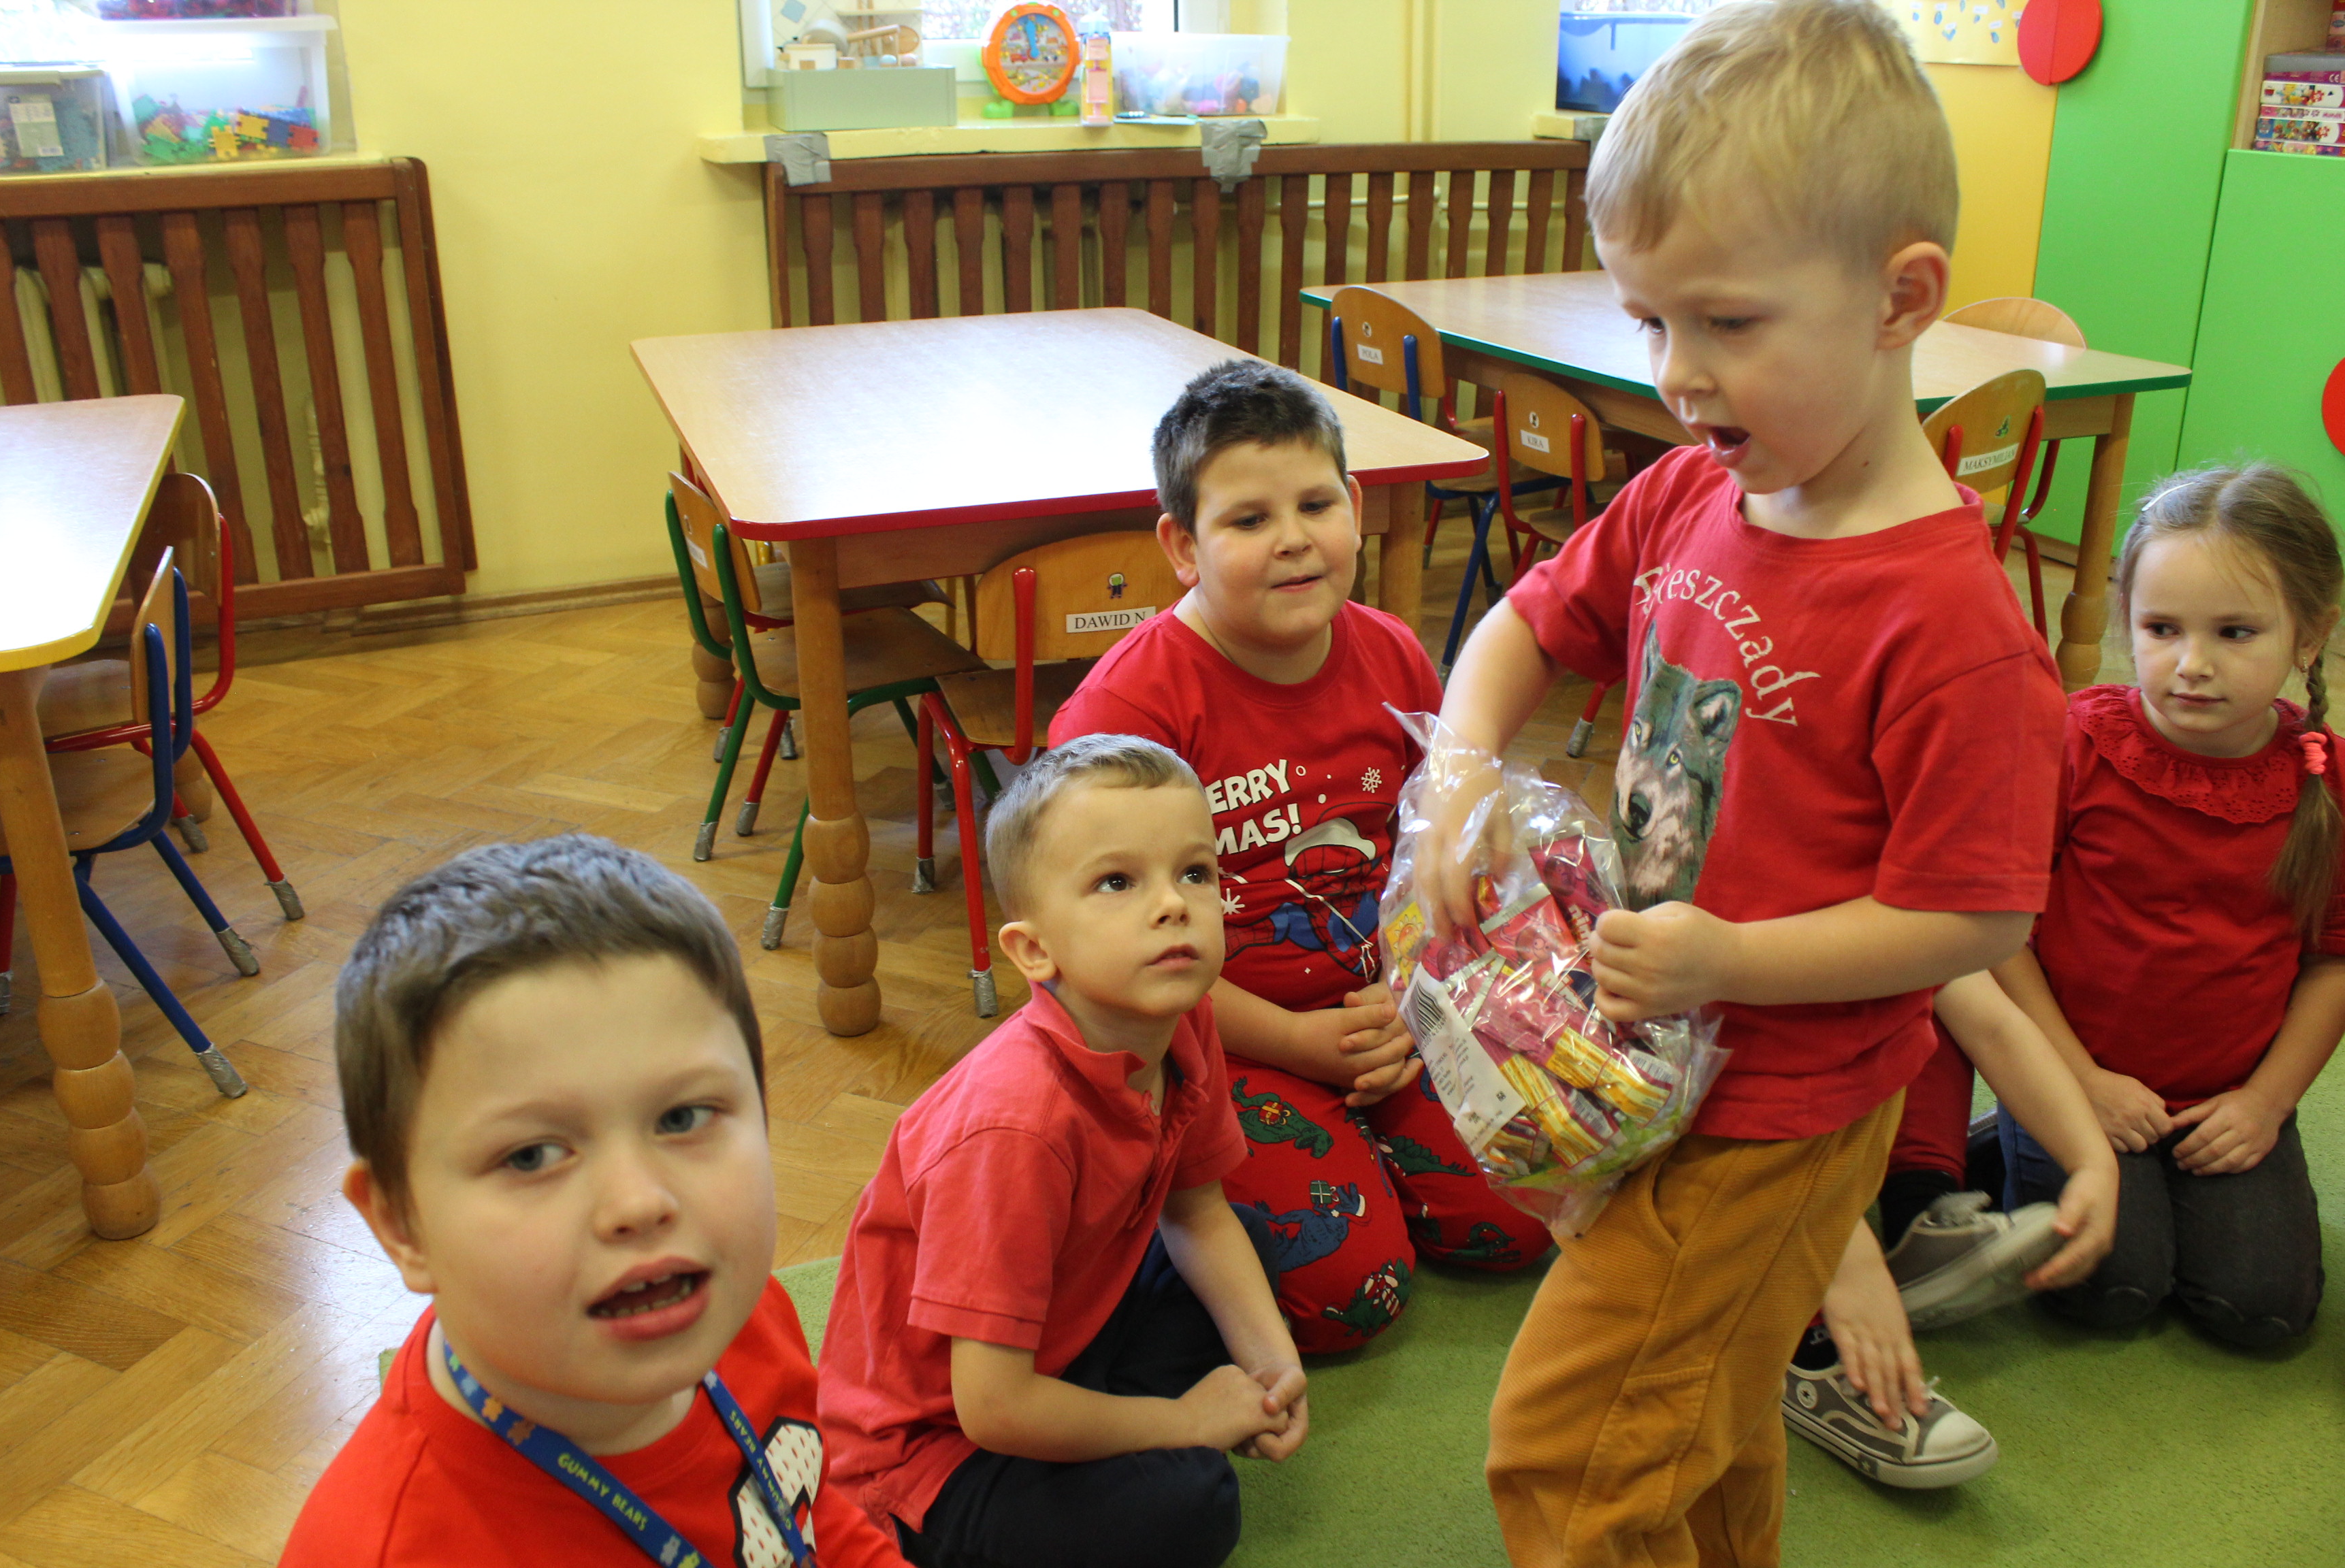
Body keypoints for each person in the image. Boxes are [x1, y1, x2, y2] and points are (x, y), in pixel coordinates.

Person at [1414, 3, 2067, 1561]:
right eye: (1648, 321)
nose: (1676, 376)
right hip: (1657, 1064)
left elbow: (1974, 916)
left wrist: (1730, 960)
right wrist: (1460, 763)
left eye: (1724, 322)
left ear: (1900, 299)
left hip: (1780, 1112)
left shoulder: (1953, 630)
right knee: (1694, 1425)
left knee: (1569, 1455)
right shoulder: (1690, 495)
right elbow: (1522, 624)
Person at [1048, 358, 1550, 1354]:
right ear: (1181, 546)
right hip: (1209, 1044)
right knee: (1351, 1291)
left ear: (1355, 507)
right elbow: (1109, 962)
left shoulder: (1392, 653)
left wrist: (1411, 995)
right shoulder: (1127, 715)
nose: (1293, 539)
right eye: (1248, 520)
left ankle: (1361, 1146)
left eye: (1316, 505)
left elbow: (1427, 857)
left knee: (1520, 1218)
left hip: (1386, 1015)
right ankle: (1152, 1202)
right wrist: (1295, 1042)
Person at [282, 834, 904, 1568]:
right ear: (401, 1226)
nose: (639, 1203)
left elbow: (807, 1509)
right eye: (531, 1156)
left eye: (682, 1117)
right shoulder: (388, 1549)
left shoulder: (738, 1311)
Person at [816, 734, 1307, 1568]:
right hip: (934, 1451)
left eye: (1195, 872)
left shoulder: (1181, 1018)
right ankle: (1108, 1436)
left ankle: (1099, 1423)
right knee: (1193, 1505)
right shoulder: (1015, 1127)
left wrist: (1273, 1368)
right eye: (1118, 882)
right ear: (1033, 951)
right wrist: (1186, 1422)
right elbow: (992, 1409)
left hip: (1059, 1342)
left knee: (1254, 1248)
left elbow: (1198, 1213)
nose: (1174, 905)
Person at [1993, 463, 2345, 1348]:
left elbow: (2332, 962)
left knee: (2263, 1313)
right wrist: (2081, 1083)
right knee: (2111, 1290)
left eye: (2235, 632)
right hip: (2072, 1076)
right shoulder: (2078, 741)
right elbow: (2000, 935)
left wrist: (2264, 1104)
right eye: (2161, 629)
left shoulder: (2327, 781)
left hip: (2227, 1095)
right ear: (2128, 619)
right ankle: (2003, 1140)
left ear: (2310, 636)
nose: (2192, 665)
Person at [1784, 972, 2118, 1489]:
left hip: (1805, 1101)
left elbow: (1995, 1024)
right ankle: (1800, 1334)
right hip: (1696, 1096)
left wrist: (2093, 1162)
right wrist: (1842, 1255)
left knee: (1921, 985)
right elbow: (1739, 1078)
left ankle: (1916, 1207)